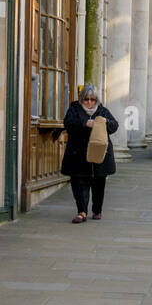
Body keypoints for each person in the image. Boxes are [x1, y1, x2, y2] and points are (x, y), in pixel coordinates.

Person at [61, 84, 119, 223]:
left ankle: (97, 210)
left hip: (99, 155)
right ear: (81, 99)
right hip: (78, 154)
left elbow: (114, 125)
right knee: (79, 183)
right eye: (86, 99)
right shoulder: (74, 108)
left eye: (92, 99)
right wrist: (85, 123)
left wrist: (106, 122)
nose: (89, 102)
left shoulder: (102, 110)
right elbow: (68, 123)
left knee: (99, 183)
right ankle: (82, 212)